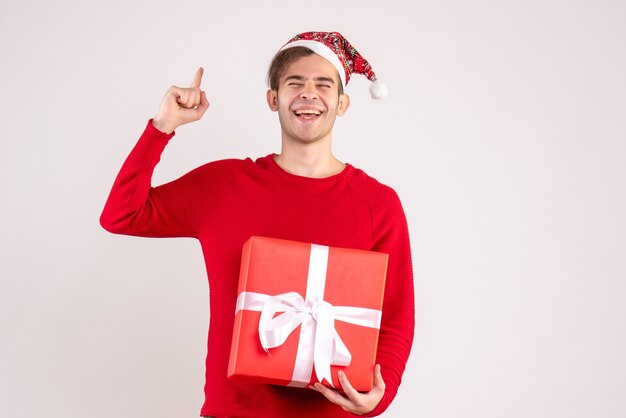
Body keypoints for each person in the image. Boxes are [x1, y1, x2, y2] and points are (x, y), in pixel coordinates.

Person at [100, 31, 414, 417]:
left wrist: (381, 395)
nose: (308, 94)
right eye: (294, 83)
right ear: (273, 99)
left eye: (323, 84)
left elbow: (396, 317)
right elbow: (121, 214)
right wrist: (162, 126)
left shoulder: (377, 205)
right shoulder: (223, 186)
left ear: (343, 103)